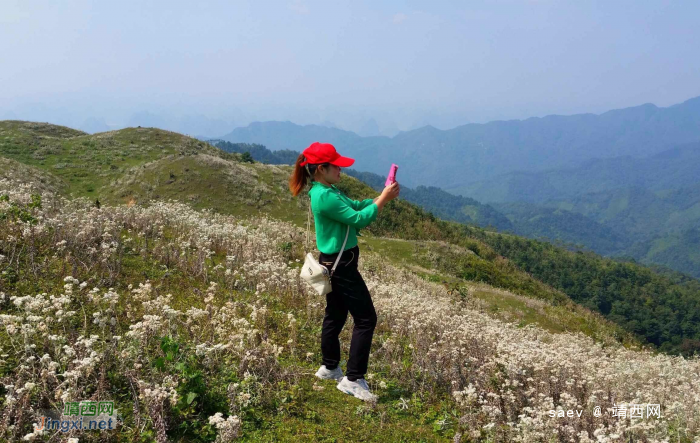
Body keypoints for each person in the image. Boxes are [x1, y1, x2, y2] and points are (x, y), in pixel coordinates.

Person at [288, 141, 400, 401]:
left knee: (335, 314)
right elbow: (359, 219)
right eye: (336, 166)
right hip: (342, 266)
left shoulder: (327, 190)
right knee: (366, 319)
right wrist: (384, 199)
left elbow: (357, 207)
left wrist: (380, 196)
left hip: (334, 262)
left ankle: (329, 367)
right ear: (321, 169)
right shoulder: (325, 196)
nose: (341, 169)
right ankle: (353, 379)